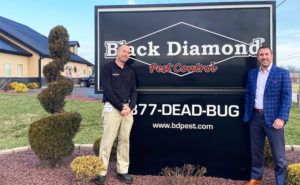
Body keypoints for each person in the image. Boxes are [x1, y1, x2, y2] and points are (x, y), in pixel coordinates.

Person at [243, 46, 292, 185]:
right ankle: (256, 179)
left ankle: (280, 182)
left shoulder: (282, 73)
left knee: (279, 156)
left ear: (272, 55)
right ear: (258, 58)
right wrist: (249, 112)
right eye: (261, 55)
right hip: (255, 118)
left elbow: (287, 97)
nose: (264, 57)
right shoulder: (252, 73)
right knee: (256, 152)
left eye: (266, 54)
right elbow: (248, 94)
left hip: (274, 120)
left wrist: (282, 118)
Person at [93, 44, 137, 185]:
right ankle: (101, 172)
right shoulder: (107, 68)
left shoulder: (130, 72)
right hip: (112, 107)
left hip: (127, 109)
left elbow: (134, 91)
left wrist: (130, 107)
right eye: (124, 51)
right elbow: (108, 90)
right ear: (117, 52)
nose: (126, 54)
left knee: (124, 141)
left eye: (128, 52)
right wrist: (120, 107)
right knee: (107, 141)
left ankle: (122, 171)